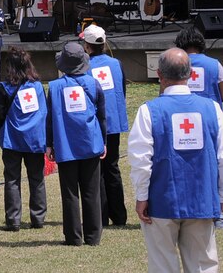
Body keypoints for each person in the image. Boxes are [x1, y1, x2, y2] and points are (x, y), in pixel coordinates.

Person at [128, 47, 223, 273]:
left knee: (162, 265)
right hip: (202, 199)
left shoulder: (148, 111)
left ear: (159, 74)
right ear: (190, 75)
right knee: (203, 265)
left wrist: (141, 196)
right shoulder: (213, 109)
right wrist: (220, 195)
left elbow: (140, 159)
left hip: (161, 201)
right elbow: (222, 158)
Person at [46, 41, 106, 247]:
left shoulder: (54, 88)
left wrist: (49, 144)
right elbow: (102, 117)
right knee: (92, 192)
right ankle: (93, 236)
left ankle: (73, 237)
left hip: (65, 144)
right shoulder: (94, 83)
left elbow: (50, 119)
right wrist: (103, 141)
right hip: (91, 143)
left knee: (70, 193)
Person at [0, 47, 47, 231]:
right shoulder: (38, 86)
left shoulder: (4, 87)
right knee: (37, 178)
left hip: (12, 140)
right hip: (34, 139)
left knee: (12, 180)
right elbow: (44, 112)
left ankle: (13, 220)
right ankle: (38, 218)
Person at [79, 25, 128, 227]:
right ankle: (119, 215)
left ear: (87, 45)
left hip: (94, 124)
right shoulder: (116, 64)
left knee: (96, 170)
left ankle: (101, 215)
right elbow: (122, 90)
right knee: (113, 167)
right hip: (114, 123)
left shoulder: (84, 68)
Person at [175, 25, 223, 105]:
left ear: (179, 44)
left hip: (182, 113)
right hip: (210, 113)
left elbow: (164, 94)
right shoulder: (215, 64)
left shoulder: (173, 64)